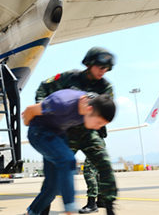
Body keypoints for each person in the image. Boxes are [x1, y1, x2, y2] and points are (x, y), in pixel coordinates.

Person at [35, 47, 116, 214]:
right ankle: (42, 209)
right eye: (101, 67)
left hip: (89, 133)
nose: (104, 71)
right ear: (90, 63)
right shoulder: (69, 78)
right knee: (55, 174)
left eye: (107, 68)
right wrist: (43, 110)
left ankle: (109, 207)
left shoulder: (106, 87)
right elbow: (43, 88)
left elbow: (105, 110)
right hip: (65, 132)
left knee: (105, 164)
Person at [22, 89, 116, 215]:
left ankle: (32, 212)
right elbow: (30, 110)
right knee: (68, 160)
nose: (98, 127)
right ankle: (70, 207)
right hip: (39, 133)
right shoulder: (62, 102)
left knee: (52, 186)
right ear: (89, 110)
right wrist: (30, 126)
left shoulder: (89, 107)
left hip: (57, 136)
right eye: (99, 123)